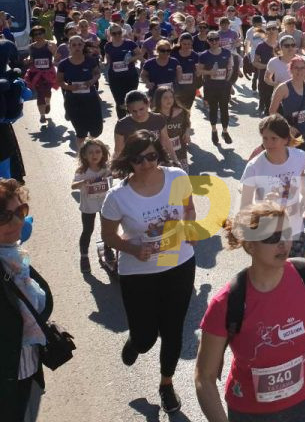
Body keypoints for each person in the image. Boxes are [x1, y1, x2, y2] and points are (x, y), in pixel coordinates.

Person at [195, 202, 305, 422]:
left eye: (286, 233)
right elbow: (205, 377)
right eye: (271, 238)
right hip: (251, 412)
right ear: (250, 246)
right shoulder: (227, 303)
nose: (283, 244)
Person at [100, 131, 197, 415]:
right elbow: (108, 235)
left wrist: (189, 229)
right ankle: (136, 342)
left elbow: (189, 209)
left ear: (160, 154)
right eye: (139, 158)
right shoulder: (117, 196)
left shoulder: (177, 177)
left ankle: (166, 384)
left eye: (152, 156)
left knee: (173, 330)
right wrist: (131, 248)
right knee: (145, 338)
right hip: (138, 272)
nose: (147, 163)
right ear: (128, 161)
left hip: (178, 263)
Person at [0, 179, 52, 422]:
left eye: (21, 211)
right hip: (10, 373)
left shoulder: (12, 253)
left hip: (24, 363)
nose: (18, 221)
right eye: (5, 217)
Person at [240, 115, 305, 262]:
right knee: (272, 275)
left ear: (286, 139)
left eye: (274, 138)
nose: (268, 143)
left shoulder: (300, 156)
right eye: (265, 138)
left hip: (294, 227)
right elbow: (245, 204)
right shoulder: (254, 166)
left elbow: (302, 175)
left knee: (296, 271)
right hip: (268, 232)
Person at [71, 138, 115, 273]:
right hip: (88, 206)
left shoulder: (106, 168)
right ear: (84, 155)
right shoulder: (82, 171)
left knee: (107, 228)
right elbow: (73, 186)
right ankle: (84, 256)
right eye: (90, 153)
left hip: (104, 204)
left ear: (103, 153)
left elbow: (117, 175)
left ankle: (107, 249)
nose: (94, 155)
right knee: (87, 230)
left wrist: (112, 174)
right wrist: (83, 182)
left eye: (97, 152)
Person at [56, 34, 104, 149]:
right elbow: (60, 81)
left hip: (91, 98)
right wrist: (69, 87)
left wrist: (92, 81)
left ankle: (90, 144)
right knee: (81, 131)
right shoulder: (63, 64)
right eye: (74, 45)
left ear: (83, 46)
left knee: (96, 130)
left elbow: (97, 74)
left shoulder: (90, 61)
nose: (77, 47)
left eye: (79, 44)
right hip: (73, 100)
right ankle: (83, 156)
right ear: (69, 47)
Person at [198, 30, 234, 145]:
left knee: (224, 109)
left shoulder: (226, 53)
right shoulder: (204, 55)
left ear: (219, 40)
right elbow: (199, 72)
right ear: (207, 41)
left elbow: (230, 67)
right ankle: (214, 130)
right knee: (213, 109)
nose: (214, 42)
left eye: (216, 39)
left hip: (223, 86)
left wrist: (229, 78)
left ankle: (225, 131)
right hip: (210, 87)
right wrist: (209, 72)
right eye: (211, 39)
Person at [23, 26, 58, 127]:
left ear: (44, 34)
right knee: (40, 94)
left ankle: (48, 103)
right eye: (35, 35)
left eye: (40, 33)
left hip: (48, 73)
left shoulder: (50, 44)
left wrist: (53, 52)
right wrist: (27, 59)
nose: (38, 36)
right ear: (33, 37)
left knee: (47, 92)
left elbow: (56, 57)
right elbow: (31, 56)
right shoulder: (31, 46)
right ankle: (42, 115)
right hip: (36, 73)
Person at [154, 86, 191, 171]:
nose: (169, 100)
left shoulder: (181, 111)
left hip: (180, 152)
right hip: (162, 155)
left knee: (182, 176)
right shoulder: (154, 116)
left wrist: (187, 132)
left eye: (171, 97)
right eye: (165, 97)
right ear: (159, 99)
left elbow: (187, 124)